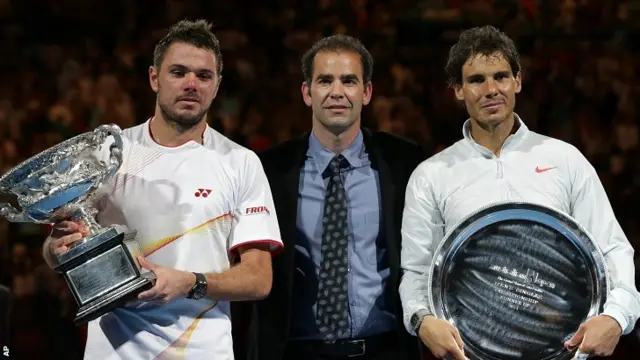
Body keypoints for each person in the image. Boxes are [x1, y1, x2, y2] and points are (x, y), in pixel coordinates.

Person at [41, 19, 283, 360]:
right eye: (178, 72)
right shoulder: (108, 154)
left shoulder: (240, 162)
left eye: (204, 76)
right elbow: (56, 252)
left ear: (217, 86)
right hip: (112, 351)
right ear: (154, 78)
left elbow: (259, 279)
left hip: (201, 351)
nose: (191, 84)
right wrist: (56, 247)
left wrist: (190, 282)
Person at [399, 25, 640, 360]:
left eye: (500, 76)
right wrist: (423, 320)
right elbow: (418, 270)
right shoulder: (431, 175)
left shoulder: (565, 159)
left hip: (562, 348)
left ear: (518, 81)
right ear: (457, 90)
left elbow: (612, 248)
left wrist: (618, 314)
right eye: (476, 80)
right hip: (471, 351)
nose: (491, 89)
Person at [244, 35, 424, 360]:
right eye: (325, 80)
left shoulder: (403, 163)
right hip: (296, 351)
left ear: (366, 92)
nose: (337, 92)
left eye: (349, 81)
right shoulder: (270, 170)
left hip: (386, 349)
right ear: (307, 93)